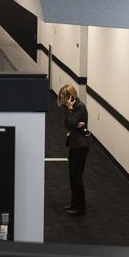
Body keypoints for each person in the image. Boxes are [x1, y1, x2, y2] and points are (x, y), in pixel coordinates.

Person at [57, 84, 89, 215]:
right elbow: (68, 124)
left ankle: (79, 207)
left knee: (77, 177)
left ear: (70, 96)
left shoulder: (79, 107)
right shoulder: (73, 108)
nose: (63, 100)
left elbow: (70, 123)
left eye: (64, 97)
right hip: (74, 145)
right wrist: (75, 123)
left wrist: (71, 115)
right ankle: (74, 203)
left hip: (80, 146)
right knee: (72, 176)